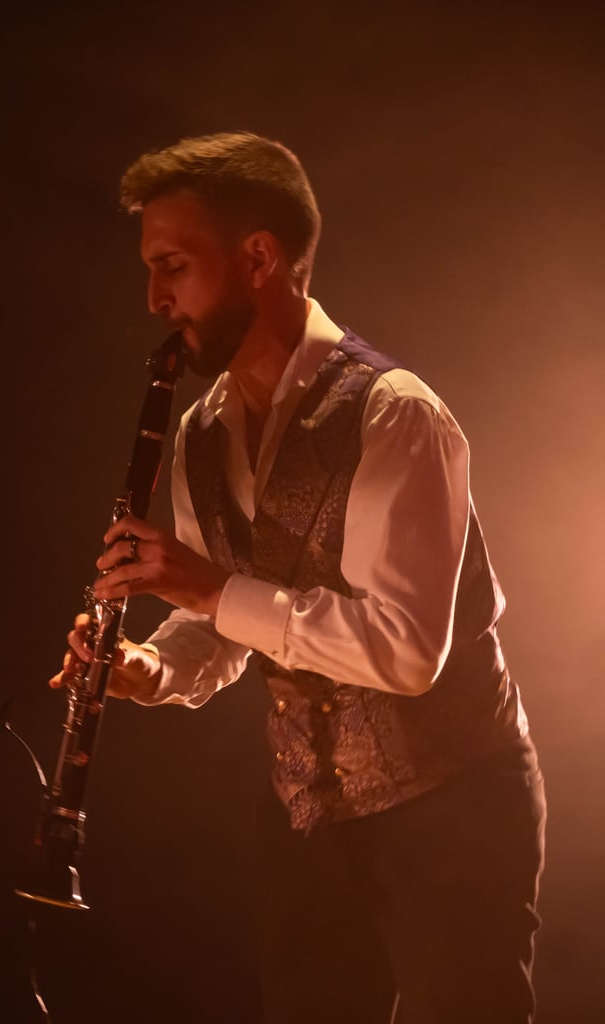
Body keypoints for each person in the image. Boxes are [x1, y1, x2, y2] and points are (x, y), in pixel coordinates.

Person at [51, 132, 543, 1023]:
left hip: (455, 807)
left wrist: (204, 588)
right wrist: (150, 670)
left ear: (259, 260)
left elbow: (403, 654)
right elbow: (224, 620)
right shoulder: (199, 433)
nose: (156, 299)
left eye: (173, 266)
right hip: (303, 817)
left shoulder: (398, 417)